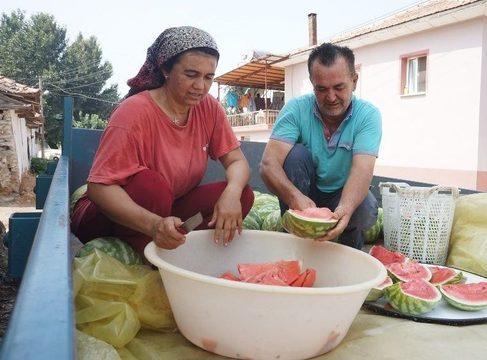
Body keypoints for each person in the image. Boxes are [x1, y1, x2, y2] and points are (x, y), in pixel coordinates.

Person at [71, 26, 254, 254]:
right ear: (166, 70)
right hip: (107, 218)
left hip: (167, 212)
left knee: (243, 195)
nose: (201, 86)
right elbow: (99, 188)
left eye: (208, 77)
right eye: (191, 75)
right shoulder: (133, 112)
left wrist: (232, 193)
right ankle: (154, 254)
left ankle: (177, 246)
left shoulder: (210, 109)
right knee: (153, 187)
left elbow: (237, 161)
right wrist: (154, 225)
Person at [260, 43, 381, 250]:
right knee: (296, 155)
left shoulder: (368, 115)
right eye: (322, 89)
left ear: (354, 81)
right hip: (304, 193)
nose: (331, 97)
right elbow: (268, 165)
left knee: (366, 208)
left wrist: (345, 208)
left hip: (342, 194)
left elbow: (362, 169)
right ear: (312, 83)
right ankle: (294, 237)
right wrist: (294, 197)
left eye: (339, 87)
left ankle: (350, 242)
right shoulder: (296, 109)